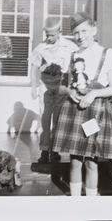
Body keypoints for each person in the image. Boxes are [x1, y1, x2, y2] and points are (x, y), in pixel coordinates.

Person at [52, 11, 112, 195]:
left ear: (94, 29)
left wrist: (95, 93)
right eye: (76, 33)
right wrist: (70, 91)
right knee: (74, 161)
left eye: (84, 31)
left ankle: (90, 205)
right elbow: (61, 88)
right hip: (74, 111)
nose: (80, 36)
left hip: (95, 113)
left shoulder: (107, 53)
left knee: (91, 162)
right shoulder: (72, 55)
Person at [31, 16, 78, 163]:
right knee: (45, 119)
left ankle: (55, 151)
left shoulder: (69, 46)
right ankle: (45, 151)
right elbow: (33, 68)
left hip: (61, 86)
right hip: (45, 86)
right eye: (47, 35)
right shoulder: (41, 47)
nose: (49, 38)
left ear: (59, 32)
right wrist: (33, 87)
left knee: (58, 119)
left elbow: (77, 64)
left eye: (52, 35)